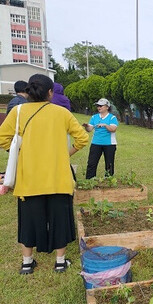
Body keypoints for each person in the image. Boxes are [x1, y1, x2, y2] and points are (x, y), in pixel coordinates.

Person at [0, 74, 89, 274]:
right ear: (50, 92)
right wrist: (65, 154)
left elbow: (2, 138)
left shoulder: (18, 111)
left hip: (29, 179)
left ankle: (27, 262)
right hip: (58, 177)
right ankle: (60, 262)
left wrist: (20, 153)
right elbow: (82, 138)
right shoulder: (61, 113)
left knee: (29, 221)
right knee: (60, 219)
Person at [83, 98, 118, 179]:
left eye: (101, 106)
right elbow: (90, 129)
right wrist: (87, 126)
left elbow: (113, 129)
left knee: (109, 164)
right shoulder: (94, 117)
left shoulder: (112, 118)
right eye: (98, 106)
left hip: (109, 144)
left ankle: (109, 180)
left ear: (107, 107)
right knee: (91, 163)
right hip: (96, 143)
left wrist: (105, 125)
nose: (99, 107)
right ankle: (89, 181)